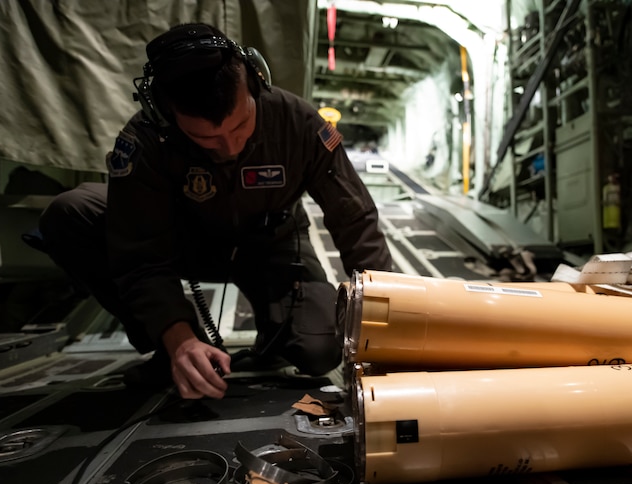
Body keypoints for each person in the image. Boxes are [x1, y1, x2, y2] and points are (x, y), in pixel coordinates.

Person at [38, 23, 393, 400]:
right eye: (206, 138)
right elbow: (139, 254)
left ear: (256, 83)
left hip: (274, 244)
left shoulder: (299, 123)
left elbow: (354, 219)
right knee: (70, 212)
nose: (229, 148)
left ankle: (274, 339)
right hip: (184, 243)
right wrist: (178, 337)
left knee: (318, 352)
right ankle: (174, 347)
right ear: (164, 112)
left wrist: (390, 325)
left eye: (241, 126)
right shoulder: (146, 139)